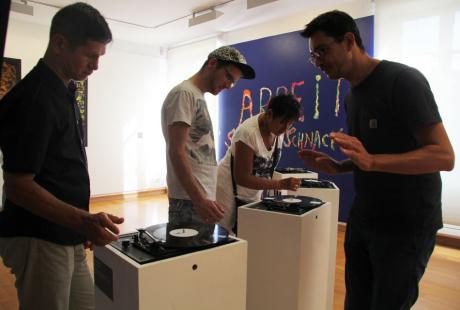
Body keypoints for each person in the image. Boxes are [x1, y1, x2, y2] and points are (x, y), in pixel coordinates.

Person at [299, 10, 455, 310]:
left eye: (322, 50)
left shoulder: (402, 80)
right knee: (356, 301)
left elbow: (444, 156)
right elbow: (369, 156)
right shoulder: (351, 96)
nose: (318, 61)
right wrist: (339, 166)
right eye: (313, 55)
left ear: (348, 41)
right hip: (366, 216)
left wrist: (372, 162)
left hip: (406, 222)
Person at [0, 3, 124, 310]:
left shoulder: (63, 90)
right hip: (39, 237)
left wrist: (78, 223)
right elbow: (17, 185)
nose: (96, 65)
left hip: (64, 232)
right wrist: (82, 220)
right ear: (60, 44)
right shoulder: (35, 98)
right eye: (91, 54)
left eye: (100, 57)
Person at [161, 46, 255, 228]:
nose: (229, 85)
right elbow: (176, 151)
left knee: (202, 254)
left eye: (233, 82)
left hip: (199, 197)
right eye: (228, 77)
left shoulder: (197, 96)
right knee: (190, 254)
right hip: (189, 199)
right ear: (212, 64)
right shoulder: (184, 93)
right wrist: (199, 199)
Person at [216, 93, 302, 233]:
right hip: (228, 193)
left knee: (247, 235)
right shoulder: (248, 133)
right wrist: (280, 184)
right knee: (228, 239)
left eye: (289, 124)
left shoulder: (277, 133)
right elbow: (242, 178)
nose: (285, 129)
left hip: (251, 194)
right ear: (269, 114)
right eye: (282, 122)